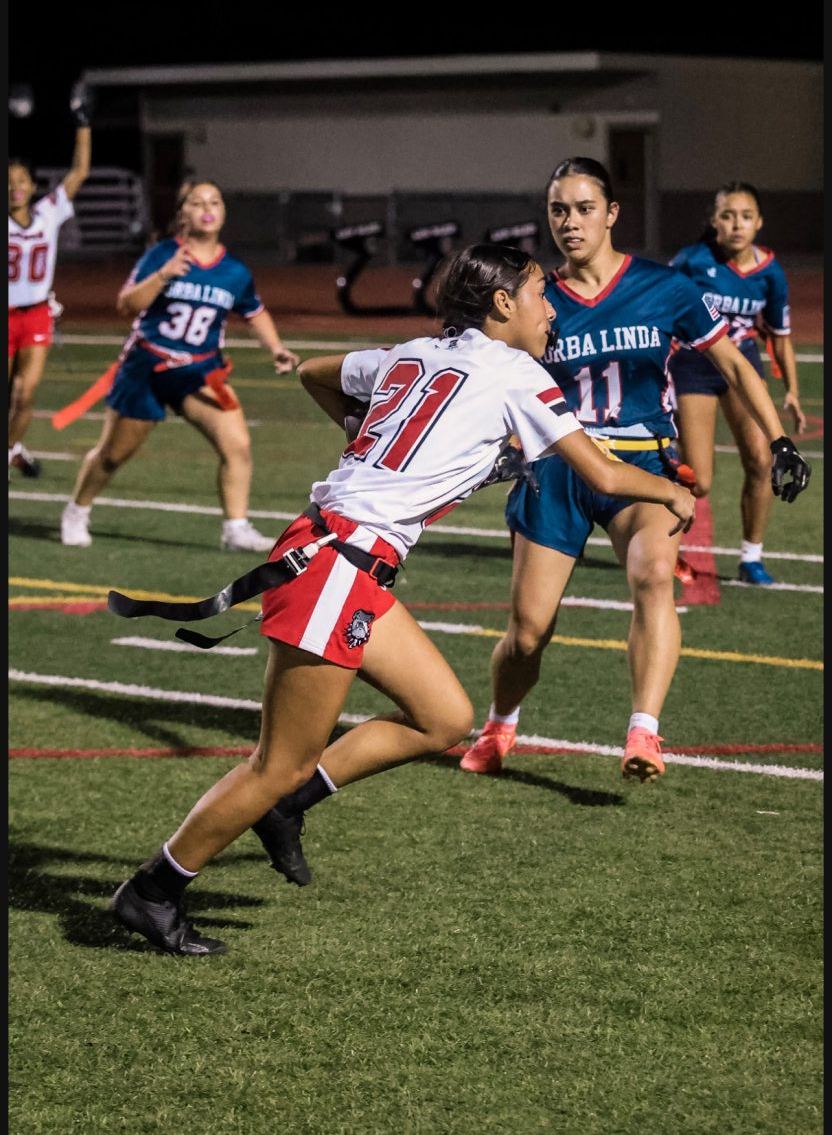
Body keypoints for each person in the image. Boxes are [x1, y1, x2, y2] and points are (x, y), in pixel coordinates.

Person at [108, 242, 698, 955]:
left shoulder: (416, 352)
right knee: (277, 762)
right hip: (337, 562)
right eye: (542, 293)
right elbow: (602, 474)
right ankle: (153, 890)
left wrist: (367, 440)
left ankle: (291, 807)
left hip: (343, 557)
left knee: (443, 717)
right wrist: (671, 489)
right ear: (503, 304)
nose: (552, 307)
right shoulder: (515, 370)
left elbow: (320, 376)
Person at [458, 157, 810, 782]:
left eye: (585, 208)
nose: (571, 222)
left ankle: (644, 732)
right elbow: (488, 374)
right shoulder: (535, 298)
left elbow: (732, 362)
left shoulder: (664, 286)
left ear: (612, 213)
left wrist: (778, 438)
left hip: (642, 462)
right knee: (528, 632)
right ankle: (500, 721)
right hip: (560, 465)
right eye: (559, 210)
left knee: (654, 574)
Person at [60, 178, 300, 552]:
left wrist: (276, 348)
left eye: (215, 202)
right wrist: (164, 274)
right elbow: (127, 305)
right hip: (148, 368)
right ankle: (77, 510)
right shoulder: (162, 255)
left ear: (223, 212)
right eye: (197, 202)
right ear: (182, 214)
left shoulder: (234, 271)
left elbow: (254, 311)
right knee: (112, 455)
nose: (207, 208)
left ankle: (235, 529)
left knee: (237, 446)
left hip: (200, 372)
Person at [668, 182, 806, 585]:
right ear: (714, 221)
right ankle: (664, 547)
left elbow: (780, 336)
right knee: (700, 479)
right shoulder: (691, 261)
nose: (737, 224)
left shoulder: (771, 273)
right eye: (727, 216)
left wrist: (792, 390)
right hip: (694, 365)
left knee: (763, 461)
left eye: (746, 216)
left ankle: (752, 558)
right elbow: (656, 309)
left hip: (742, 365)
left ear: (759, 222)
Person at [8, 93, 91, 478]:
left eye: (21, 181)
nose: (15, 188)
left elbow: (79, 173)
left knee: (26, 394)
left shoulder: (46, 213)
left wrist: (83, 124)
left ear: (31, 183)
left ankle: (11, 450)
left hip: (36, 314)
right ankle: (16, 450)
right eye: (8, 183)